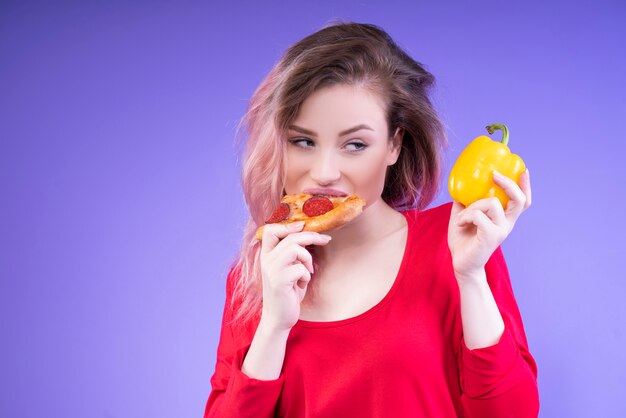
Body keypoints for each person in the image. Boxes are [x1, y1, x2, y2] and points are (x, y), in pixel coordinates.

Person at [204, 21, 539, 418]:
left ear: (394, 145)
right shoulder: (256, 273)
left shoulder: (457, 240)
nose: (325, 171)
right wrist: (274, 326)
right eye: (303, 141)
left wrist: (470, 277)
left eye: (355, 145)